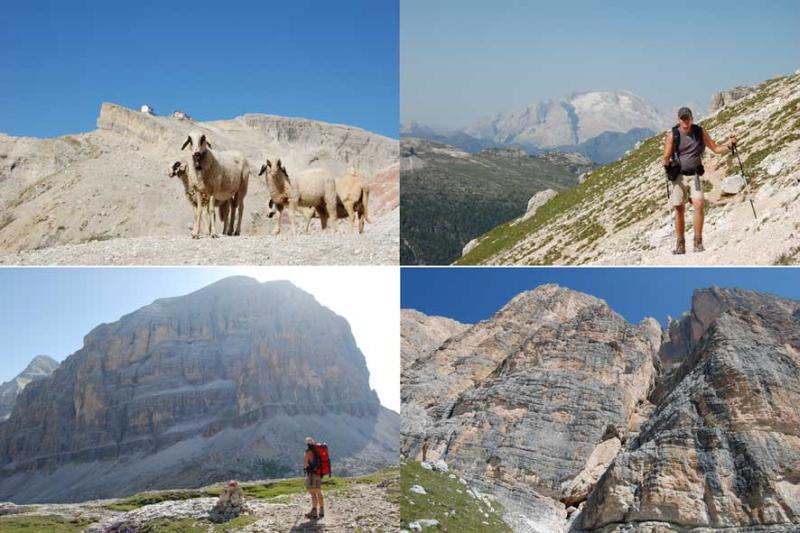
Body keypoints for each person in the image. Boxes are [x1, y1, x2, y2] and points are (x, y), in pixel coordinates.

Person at [661, 107, 736, 254]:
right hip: (678, 176)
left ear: (692, 118)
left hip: (695, 175)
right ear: (678, 120)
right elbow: (666, 156)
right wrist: (665, 161)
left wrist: (729, 145)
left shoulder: (700, 132)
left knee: (699, 203)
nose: (685, 121)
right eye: (683, 118)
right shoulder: (672, 136)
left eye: (687, 118)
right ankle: (680, 245)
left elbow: (715, 148)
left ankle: (698, 242)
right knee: (679, 208)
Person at [303, 436, 325, 519]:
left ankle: (314, 511)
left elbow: (305, 464)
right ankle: (322, 511)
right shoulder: (317, 451)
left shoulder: (308, 452)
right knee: (319, 492)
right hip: (319, 473)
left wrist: (306, 468)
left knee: (313, 493)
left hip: (312, 475)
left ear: (307, 444)